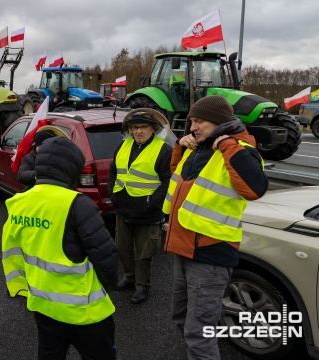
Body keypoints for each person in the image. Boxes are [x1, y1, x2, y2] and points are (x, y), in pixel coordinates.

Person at [164, 96, 268, 359]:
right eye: (191, 121)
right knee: (181, 318)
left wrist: (227, 144)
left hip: (210, 254)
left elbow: (255, 189)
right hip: (183, 248)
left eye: (199, 121)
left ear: (219, 123)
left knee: (199, 333)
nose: (193, 127)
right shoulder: (199, 147)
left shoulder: (238, 148)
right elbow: (179, 177)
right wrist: (180, 146)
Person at [2, 136, 118, 359]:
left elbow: (14, 252)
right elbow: (106, 257)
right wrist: (108, 287)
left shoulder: (18, 201)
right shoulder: (77, 203)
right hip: (85, 312)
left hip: (43, 305)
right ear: (71, 169)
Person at [108, 108, 173, 304]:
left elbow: (168, 181)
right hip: (123, 209)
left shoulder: (163, 151)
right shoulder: (122, 146)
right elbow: (114, 172)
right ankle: (129, 278)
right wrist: (114, 194)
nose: (138, 131)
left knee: (145, 253)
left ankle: (142, 286)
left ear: (153, 129)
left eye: (143, 127)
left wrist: (151, 203)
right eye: (135, 127)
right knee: (123, 248)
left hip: (148, 213)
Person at [17, 126, 67, 191]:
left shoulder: (59, 157)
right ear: (36, 146)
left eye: (46, 146)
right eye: (41, 146)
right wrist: (39, 174)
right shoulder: (29, 158)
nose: (44, 148)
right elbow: (21, 176)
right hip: (34, 193)